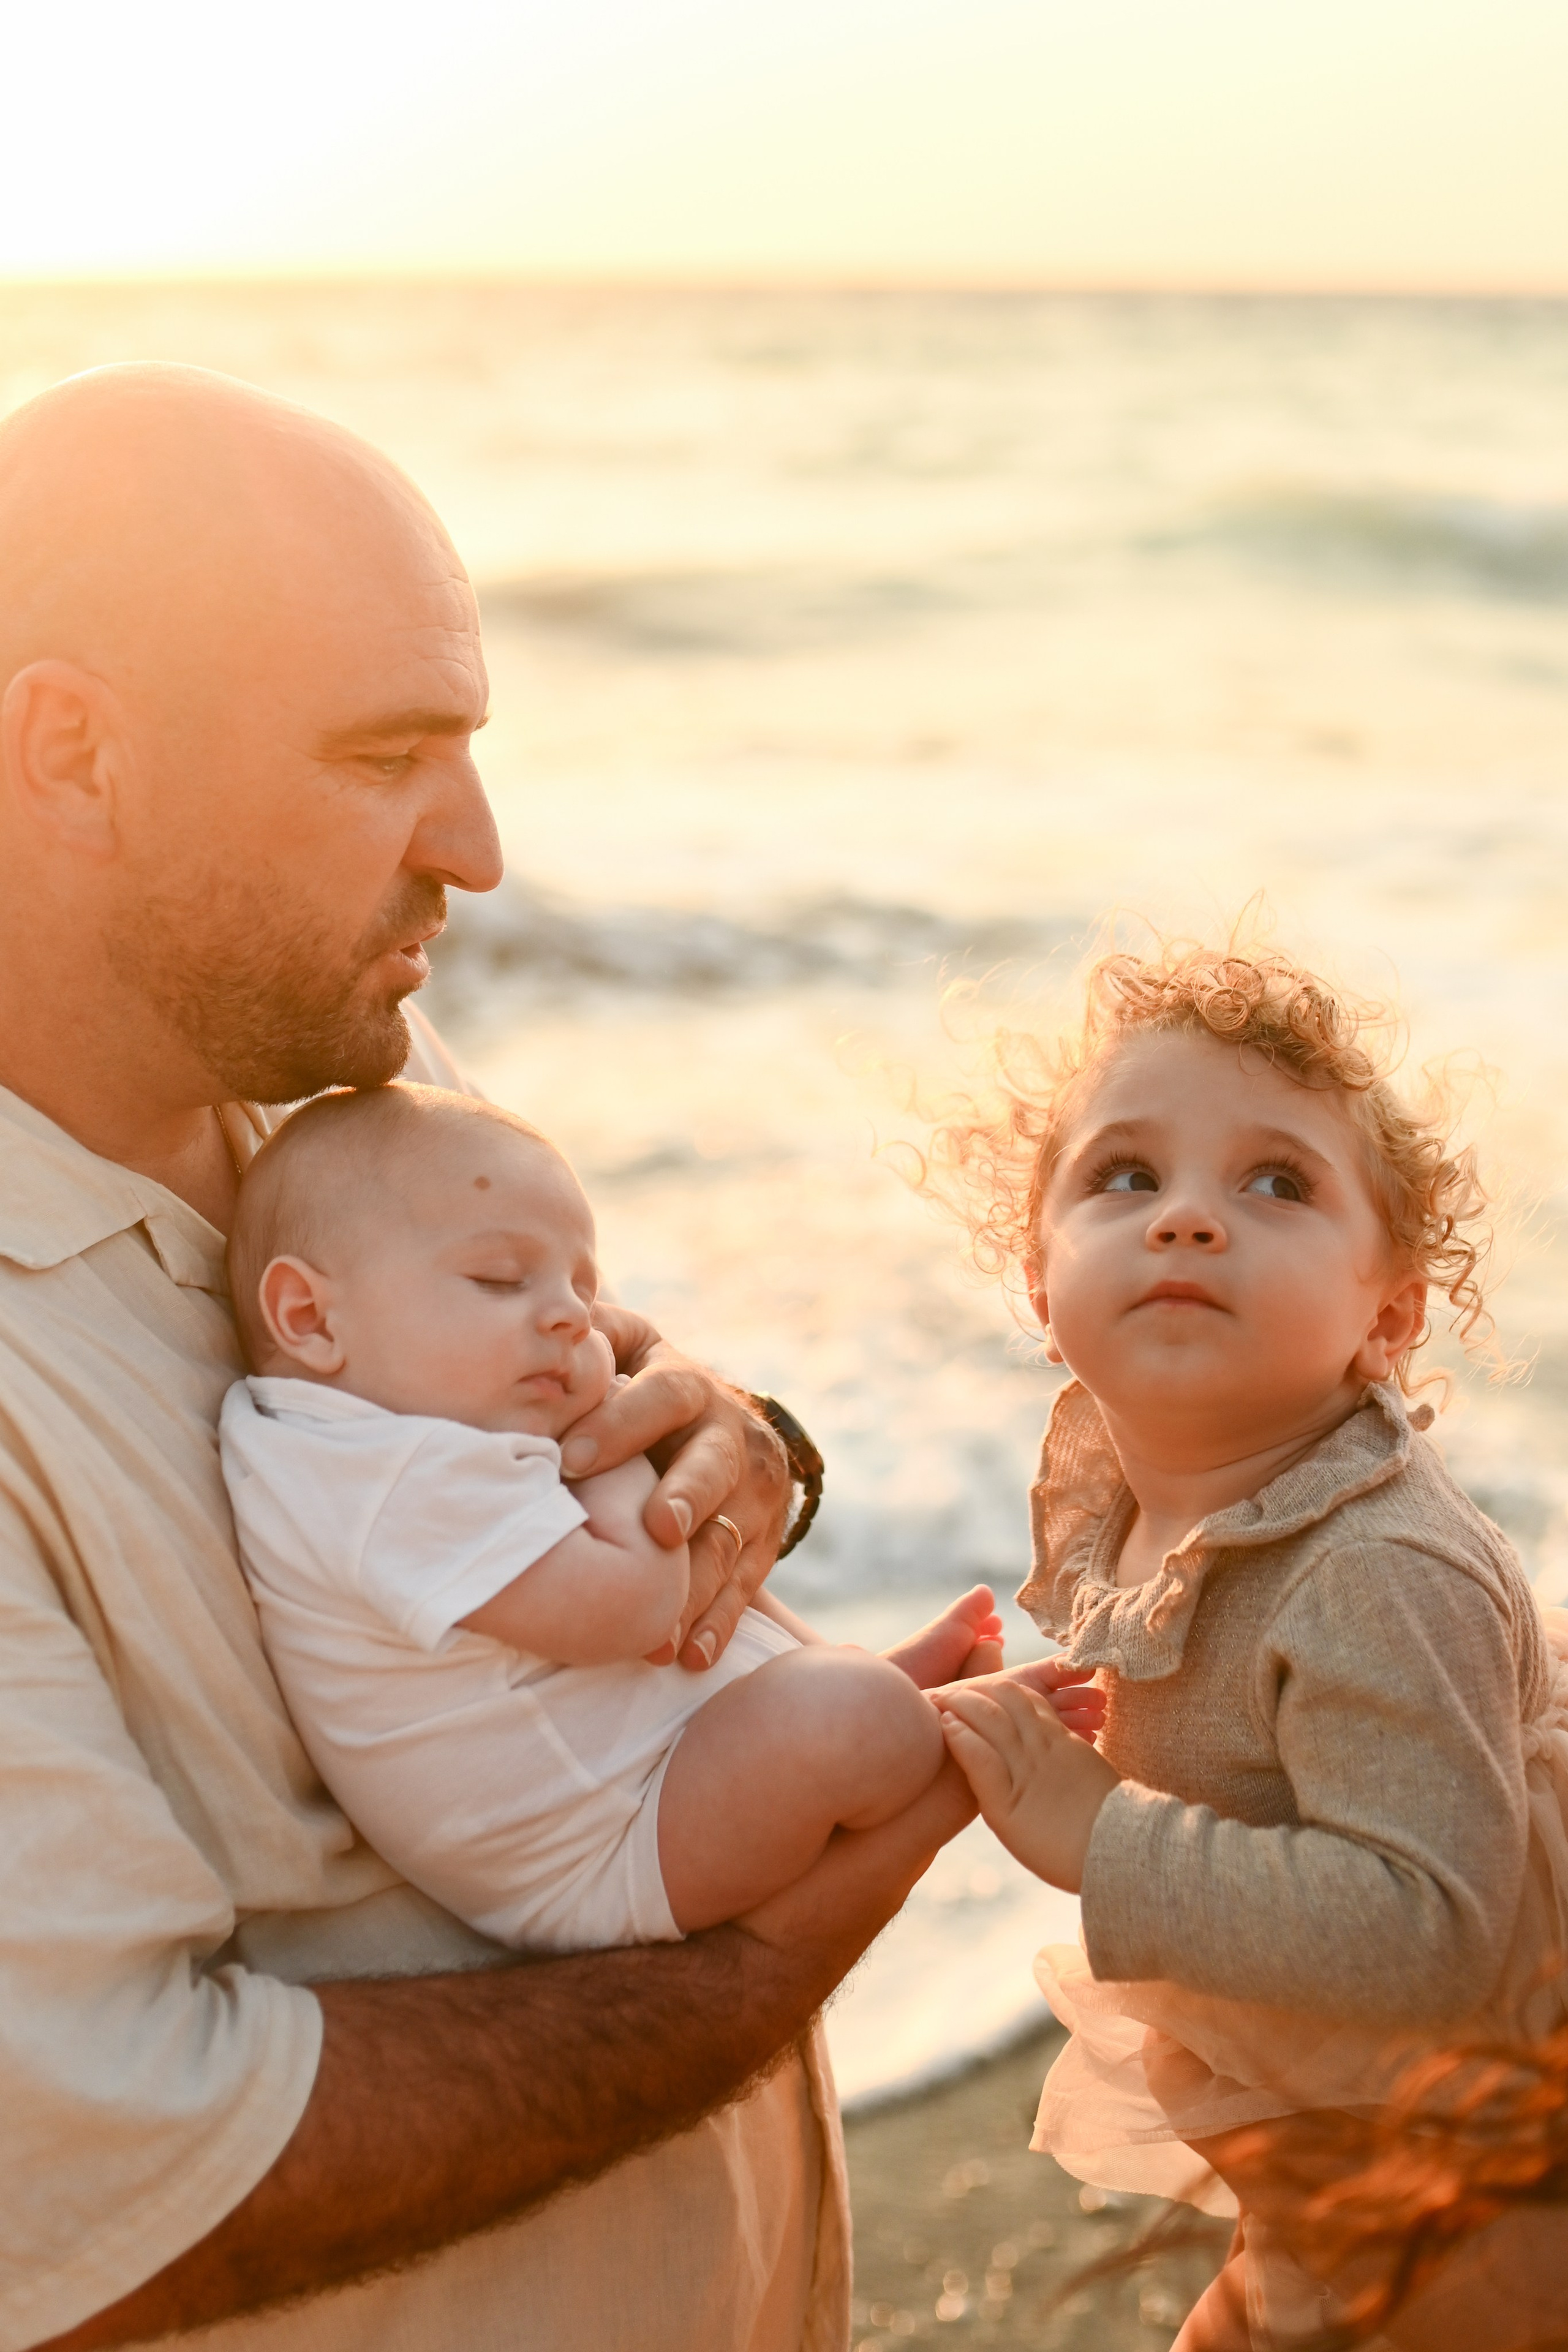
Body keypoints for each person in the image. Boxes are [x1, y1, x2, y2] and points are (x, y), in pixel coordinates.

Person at [0, 360, 976, 2352]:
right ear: (72, 753)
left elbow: (579, 1407)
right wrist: (774, 1961)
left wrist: (742, 1443)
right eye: (387, 756)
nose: (483, 845)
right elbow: (125, 2195)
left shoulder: (323, 1067)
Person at [925, 937, 1568, 2346]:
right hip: (1368, 2123)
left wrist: (1105, 1836)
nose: (1186, 1219)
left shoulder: (1378, 1568)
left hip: (1497, 2133)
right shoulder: (1183, 1503)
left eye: (1274, 1183)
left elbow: (1429, 1934)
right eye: (1124, 1178)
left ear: (1384, 1316)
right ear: (1038, 1285)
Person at [217, 1084, 1103, 1956]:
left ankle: (883, 1694)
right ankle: (921, 1726)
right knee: (837, 1706)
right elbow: (638, 1612)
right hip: (604, 1852)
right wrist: (605, 1452)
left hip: (635, 1782)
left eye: (582, 1287)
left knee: (767, 1627)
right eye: (500, 1280)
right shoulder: (387, 1479)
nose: (571, 1317)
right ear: (307, 1316)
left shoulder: (354, 1426)